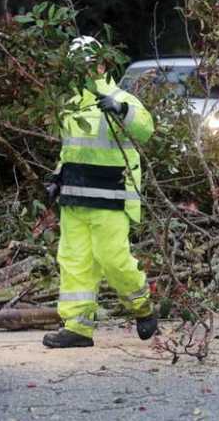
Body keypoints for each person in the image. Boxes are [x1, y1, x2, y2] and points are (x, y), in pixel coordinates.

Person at [42, 36, 157, 348]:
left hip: (112, 194)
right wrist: (56, 178)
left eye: (88, 63)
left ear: (102, 63)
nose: (82, 70)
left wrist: (120, 109)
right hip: (75, 196)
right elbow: (69, 149)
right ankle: (78, 328)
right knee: (73, 261)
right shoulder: (68, 105)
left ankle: (142, 307)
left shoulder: (121, 97)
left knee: (113, 259)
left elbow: (146, 129)